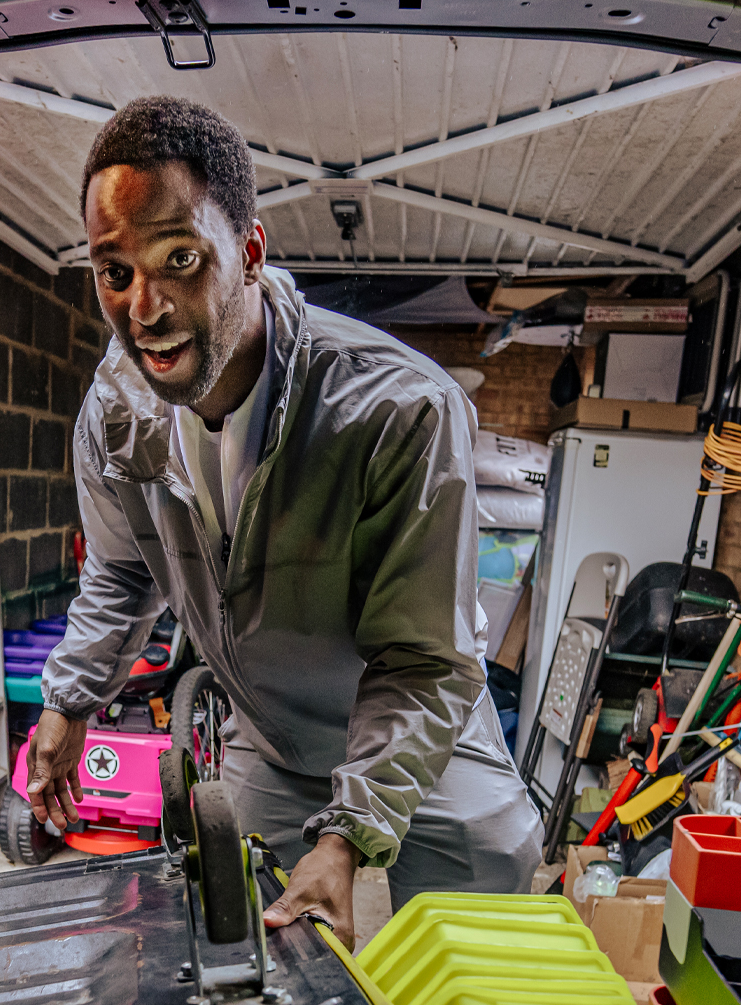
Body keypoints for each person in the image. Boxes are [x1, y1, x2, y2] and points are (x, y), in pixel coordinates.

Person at [28, 96, 541, 948]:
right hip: (269, 742)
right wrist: (71, 701)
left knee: (489, 923)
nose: (143, 308)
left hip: (427, 736)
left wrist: (349, 836)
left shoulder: (399, 409)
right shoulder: (115, 414)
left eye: (180, 258)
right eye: (115, 272)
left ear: (251, 253)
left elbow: (421, 658)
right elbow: (122, 573)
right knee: (247, 959)